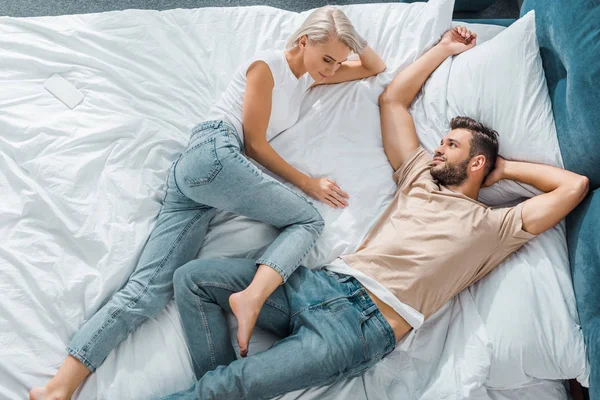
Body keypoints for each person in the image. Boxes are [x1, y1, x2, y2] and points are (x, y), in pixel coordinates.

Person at [162, 25, 590, 400]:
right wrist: (443, 48)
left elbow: (576, 185)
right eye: (442, 141)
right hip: (319, 283)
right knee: (192, 279)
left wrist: (506, 169)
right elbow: (392, 102)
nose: (438, 148)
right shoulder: (419, 173)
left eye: (451, 146)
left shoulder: (497, 226)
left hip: (359, 329)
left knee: (227, 387)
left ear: (477, 163)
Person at [30, 7, 386, 400]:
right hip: (214, 153)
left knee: (147, 291)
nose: (333, 70)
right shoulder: (266, 66)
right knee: (307, 221)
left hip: (202, 180)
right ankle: (251, 297)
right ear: (303, 41)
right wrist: (308, 183)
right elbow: (254, 144)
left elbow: (374, 66)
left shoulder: (308, 80)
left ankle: (56, 388)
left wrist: (347, 35)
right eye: (327, 59)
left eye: (338, 62)